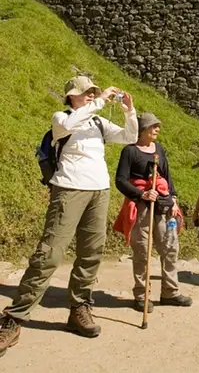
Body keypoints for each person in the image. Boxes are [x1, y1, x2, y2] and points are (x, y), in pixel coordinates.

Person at [0, 76, 137, 357]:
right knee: (49, 254)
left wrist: (129, 111)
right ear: (72, 96)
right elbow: (70, 125)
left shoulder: (98, 123)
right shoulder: (61, 118)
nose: (91, 95)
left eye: (93, 92)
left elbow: (130, 137)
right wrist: (101, 101)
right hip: (68, 189)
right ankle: (14, 318)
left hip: (99, 191)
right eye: (86, 92)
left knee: (91, 253)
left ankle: (79, 309)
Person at [112, 112, 192, 311]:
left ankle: (170, 292)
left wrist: (173, 198)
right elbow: (120, 180)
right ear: (142, 130)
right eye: (153, 126)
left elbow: (167, 176)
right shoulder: (130, 151)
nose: (157, 129)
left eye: (157, 126)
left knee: (170, 248)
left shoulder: (159, 149)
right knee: (142, 251)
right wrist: (142, 194)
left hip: (163, 205)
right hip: (141, 207)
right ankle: (142, 295)